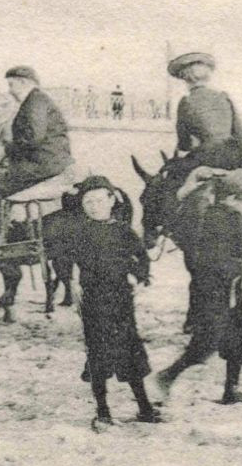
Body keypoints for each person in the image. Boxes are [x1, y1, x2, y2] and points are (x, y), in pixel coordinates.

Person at [52, 175, 162, 432]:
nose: (93, 206)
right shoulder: (78, 232)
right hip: (93, 301)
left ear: (112, 200)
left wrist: (141, 275)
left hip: (121, 299)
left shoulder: (123, 230)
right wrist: (71, 283)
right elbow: (64, 259)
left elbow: (140, 257)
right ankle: (102, 410)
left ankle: (144, 407)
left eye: (99, 200)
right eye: (88, 202)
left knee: (130, 351)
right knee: (98, 353)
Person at [150, 168, 242, 407]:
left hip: (229, 291)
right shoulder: (219, 220)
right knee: (207, 341)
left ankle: (231, 389)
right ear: (232, 199)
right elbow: (214, 260)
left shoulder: (231, 216)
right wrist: (239, 269)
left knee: (238, 340)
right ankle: (165, 377)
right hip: (214, 291)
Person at [0, 66, 74, 244]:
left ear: (23, 83)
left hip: (42, 165)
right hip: (45, 161)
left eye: (11, 85)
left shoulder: (35, 101)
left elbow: (33, 138)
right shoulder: (37, 100)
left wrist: (6, 150)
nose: (10, 90)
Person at [171, 52, 242, 170]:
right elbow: (240, 134)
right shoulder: (224, 96)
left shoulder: (186, 101)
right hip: (233, 158)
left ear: (185, 77)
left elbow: (184, 143)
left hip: (206, 159)